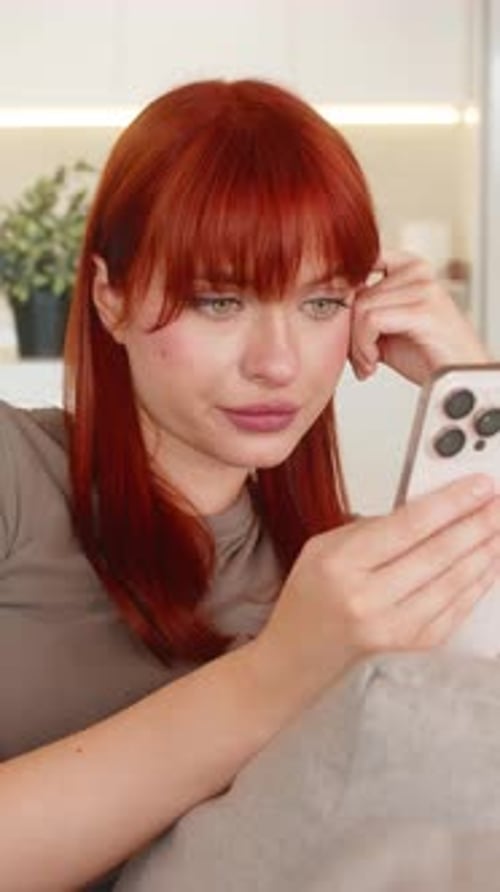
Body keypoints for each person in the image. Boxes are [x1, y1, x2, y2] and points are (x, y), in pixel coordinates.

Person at [0, 78, 498, 892]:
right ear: (110, 299)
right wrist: (280, 673)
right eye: (219, 300)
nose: (278, 362)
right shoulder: (15, 475)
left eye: (321, 303)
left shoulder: (342, 579)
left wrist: (478, 390)